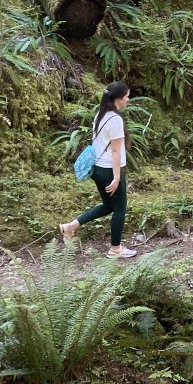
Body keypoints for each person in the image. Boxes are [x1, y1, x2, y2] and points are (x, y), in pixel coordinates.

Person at [59, 82, 137, 258]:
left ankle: (70, 227)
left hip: (97, 169)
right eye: (126, 97)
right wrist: (116, 177)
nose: (128, 100)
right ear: (118, 99)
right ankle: (115, 249)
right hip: (109, 170)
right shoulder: (115, 120)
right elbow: (116, 151)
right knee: (120, 208)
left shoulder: (100, 115)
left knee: (109, 206)